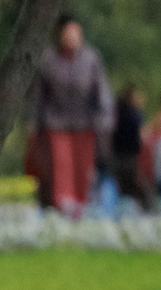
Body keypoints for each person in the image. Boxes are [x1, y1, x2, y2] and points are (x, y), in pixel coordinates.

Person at [28, 14, 114, 219]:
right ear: (60, 35)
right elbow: (38, 95)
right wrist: (32, 123)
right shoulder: (48, 60)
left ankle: (81, 209)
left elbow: (101, 90)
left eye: (77, 34)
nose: (73, 38)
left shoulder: (91, 59)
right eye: (69, 34)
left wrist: (105, 118)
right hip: (55, 123)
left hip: (85, 123)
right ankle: (62, 207)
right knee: (61, 166)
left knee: (83, 169)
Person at [111, 86, 148, 207]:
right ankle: (141, 207)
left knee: (121, 185)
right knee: (134, 184)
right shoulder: (136, 114)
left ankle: (123, 207)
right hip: (132, 155)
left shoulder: (116, 113)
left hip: (117, 154)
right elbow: (141, 136)